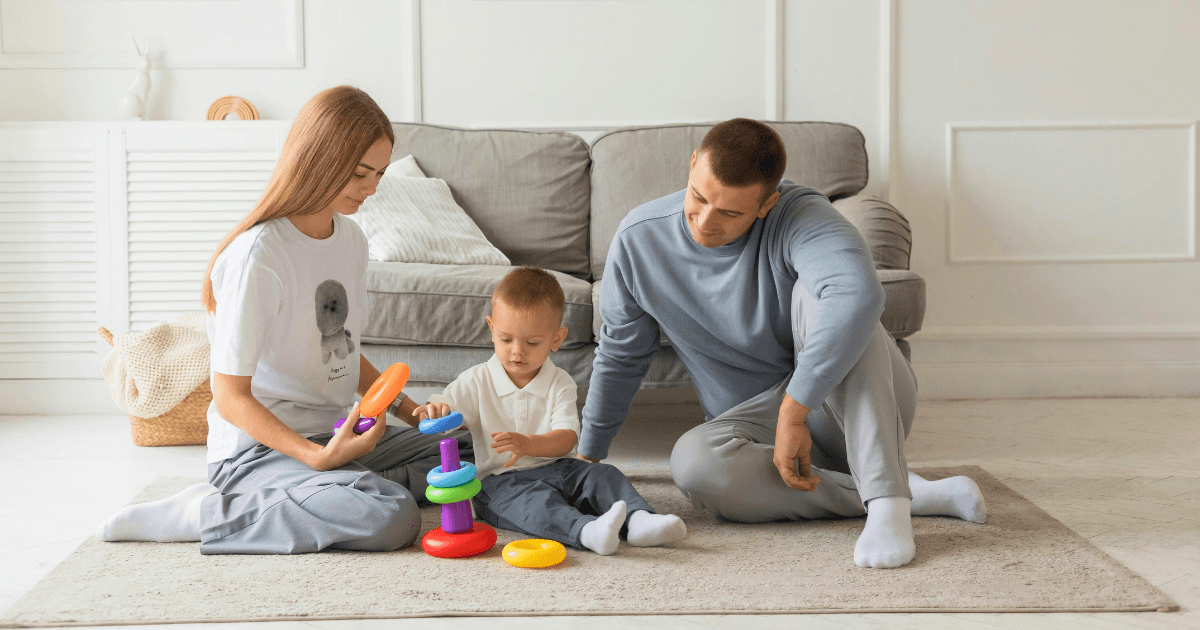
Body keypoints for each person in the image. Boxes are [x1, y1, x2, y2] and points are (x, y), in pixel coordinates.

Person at [578, 118, 986, 568]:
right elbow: (621, 354)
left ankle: (888, 500)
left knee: (831, 297)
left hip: (846, 404)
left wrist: (796, 408)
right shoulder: (638, 240)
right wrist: (588, 454)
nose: (705, 222)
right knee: (694, 466)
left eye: (731, 213)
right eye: (698, 197)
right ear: (693, 163)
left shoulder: (798, 213)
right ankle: (916, 494)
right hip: (754, 431)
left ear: (767, 203)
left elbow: (858, 295)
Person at [96, 85, 471, 554]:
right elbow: (231, 398)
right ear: (320, 159)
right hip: (261, 451)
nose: (373, 187)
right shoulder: (258, 256)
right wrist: (316, 457)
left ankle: (331, 485)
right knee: (391, 517)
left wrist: (410, 412)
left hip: (335, 434)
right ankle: (206, 512)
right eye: (360, 173)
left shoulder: (351, 240)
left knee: (466, 447)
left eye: (379, 172)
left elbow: (340, 353)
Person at [416, 267, 686, 556]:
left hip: (560, 467)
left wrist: (528, 444)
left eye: (531, 343)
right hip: (501, 481)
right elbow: (438, 417)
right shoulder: (475, 380)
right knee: (537, 504)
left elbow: (567, 439)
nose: (517, 351)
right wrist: (434, 410)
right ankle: (586, 531)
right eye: (506, 339)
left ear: (556, 339)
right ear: (491, 328)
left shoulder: (560, 382)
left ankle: (639, 520)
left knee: (602, 475)